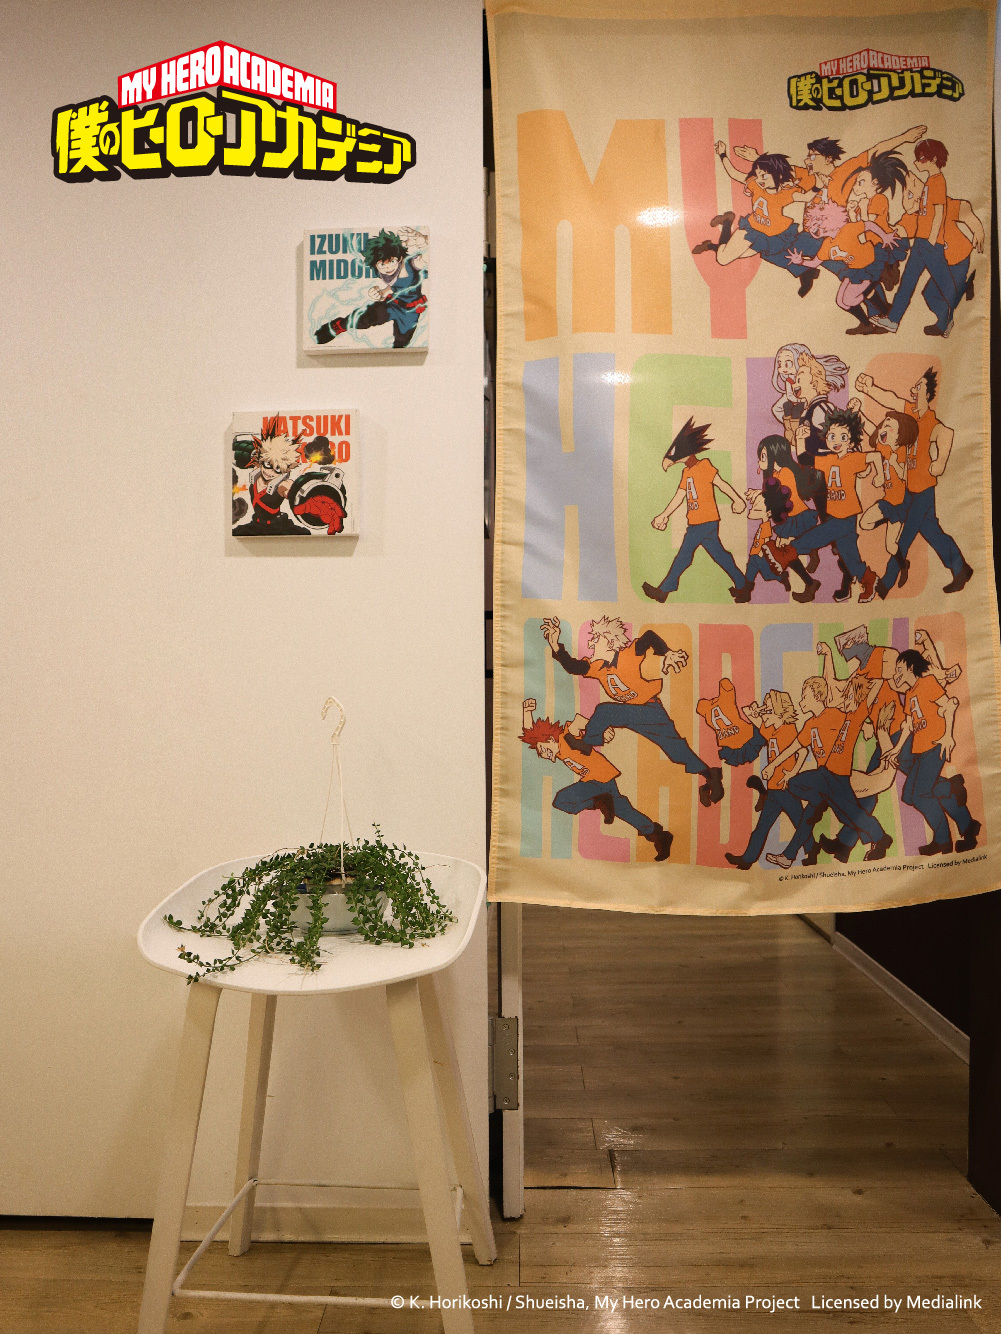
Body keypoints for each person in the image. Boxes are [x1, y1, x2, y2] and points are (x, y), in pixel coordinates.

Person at [541, 616, 725, 807]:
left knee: (608, 712)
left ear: (609, 642)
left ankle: (586, 744)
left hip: (650, 710)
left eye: (596, 639)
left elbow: (649, 636)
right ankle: (710, 776)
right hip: (633, 714)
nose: (590, 644)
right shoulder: (597, 668)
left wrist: (667, 653)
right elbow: (573, 666)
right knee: (672, 748)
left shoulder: (629, 655)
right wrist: (555, 645)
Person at [854, 369, 972, 596]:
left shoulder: (930, 421)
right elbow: (891, 399)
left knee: (905, 536)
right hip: (911, 489)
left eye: (918, 387)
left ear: (927, 394)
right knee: (932, 532)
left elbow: (946, 433)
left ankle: (885, 585)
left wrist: (940, 461)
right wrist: (869, 388)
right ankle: (961, 569)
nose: (913, 390)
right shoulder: (910, 412)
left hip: (924, 490)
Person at [763, 676, 893, 867]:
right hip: (825, 778)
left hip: (837, 777)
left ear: (817, 696)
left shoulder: (843, 715)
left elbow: (873, 690)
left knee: (844, 813)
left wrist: (859, 688)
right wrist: (773, 765)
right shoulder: (811, 724)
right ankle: (788, 857)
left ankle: (880, 836)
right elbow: (794, 746)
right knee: (809, 808)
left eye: (805, 696)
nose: (801, 701)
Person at [520, 700, 673, 860]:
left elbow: (578, 721)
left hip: (597, 779)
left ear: (550, 739)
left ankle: (599, 801)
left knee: (562, 800)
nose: (544, 754)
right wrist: (526, 712)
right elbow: (531, 733)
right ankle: (659, 836)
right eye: (541, 753)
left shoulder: (566, 738)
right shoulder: (558, 752)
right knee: (624, 811)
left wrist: (601, 731)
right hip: (605, 778)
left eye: (543, 749)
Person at [778, 408, 880, 603]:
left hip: (846, 517)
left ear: (851, 442)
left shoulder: (853, 458)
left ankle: (790, 550)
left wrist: (880, 476)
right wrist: (800, 439)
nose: (836, 440)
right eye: (832, 436)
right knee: (849, 556)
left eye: (843, 437)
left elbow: (875, 456)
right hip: (833, 514)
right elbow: (804, 459)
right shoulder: (828, 460)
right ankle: (868, 577)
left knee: (819, 535)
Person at [642, 418, 746, 602]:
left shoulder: (704, 465)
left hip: (705, 521)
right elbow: (679, 496)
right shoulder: (687, 472)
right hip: (698, 522)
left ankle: (664, 590)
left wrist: (737, 499)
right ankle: (743, 585)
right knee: (720, 556)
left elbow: (721, 484)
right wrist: (664, 515)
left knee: (684, 555)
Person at [891, 651, 980, 855]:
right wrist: (895, 750)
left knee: (920, 795)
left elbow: (949, 705)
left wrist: (948, 735)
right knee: (910, 795)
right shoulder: (910, 694)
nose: (896, 673)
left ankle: (942, 840)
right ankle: (956, 799)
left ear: (910, 668)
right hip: (920, 750)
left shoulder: (928, 683)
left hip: (934, 746)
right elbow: (908, 726)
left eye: (899, 668)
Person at [691, 148, 815, 290]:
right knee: (722, 259)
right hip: (751, 230)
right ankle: (727, 223)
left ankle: (714, 241)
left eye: (764, 176)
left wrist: (818, 185)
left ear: (778, 174)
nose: (760, 180)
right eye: (758, 175)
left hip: (768, 235)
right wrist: (722, 154)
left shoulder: (785, 193)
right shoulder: (755, 184)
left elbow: (806, 197)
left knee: (738, 254)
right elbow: (733, 173)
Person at [871, 140, 960, 335]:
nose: (916, 163)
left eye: (920, 158)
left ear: (934, 159)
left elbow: (939, 213)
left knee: (945, 284)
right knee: (908, 282)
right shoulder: (930, 181)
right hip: (921, 241)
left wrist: (932, 240)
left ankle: (951, 319)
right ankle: (893, 320)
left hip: (929, 242)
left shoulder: (938, 181)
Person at [725, 690, 803, 869]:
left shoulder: (789, 729)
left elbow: (797, 752)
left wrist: (784, 770)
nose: (764, 713)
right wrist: (760, 711)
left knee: (802, 826)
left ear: (779, 712)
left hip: (787, 789)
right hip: (774, 790)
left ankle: (814, 854)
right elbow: (748, 712)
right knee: (761, 828)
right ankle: (746, 861)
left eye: (768, 709)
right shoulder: (771, 731)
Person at [314, 228, 428, 348]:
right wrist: (381, 292)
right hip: (392, 304)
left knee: (402, 341)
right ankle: (340, 325)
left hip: (410, 311)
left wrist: (422, 242)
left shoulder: (410, 264)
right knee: (368, 316)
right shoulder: (380, 270)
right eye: (382, 264)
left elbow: (426, 258)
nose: (388, 268)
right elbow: (396, 286)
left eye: (392, 262)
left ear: (399, 258)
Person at [857, 410, 916, 581]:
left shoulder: (902, 451)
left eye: (889, 426)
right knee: (864, 523)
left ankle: (903, 565)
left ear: (899, 434)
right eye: (883, 425)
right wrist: (859, 411)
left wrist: (894, 463)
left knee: (890, 546)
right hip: (887, 501)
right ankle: (885, 519)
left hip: (900, 504)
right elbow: (870, 427)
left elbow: (905, 476)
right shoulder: (882, 448)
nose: (882, 428)